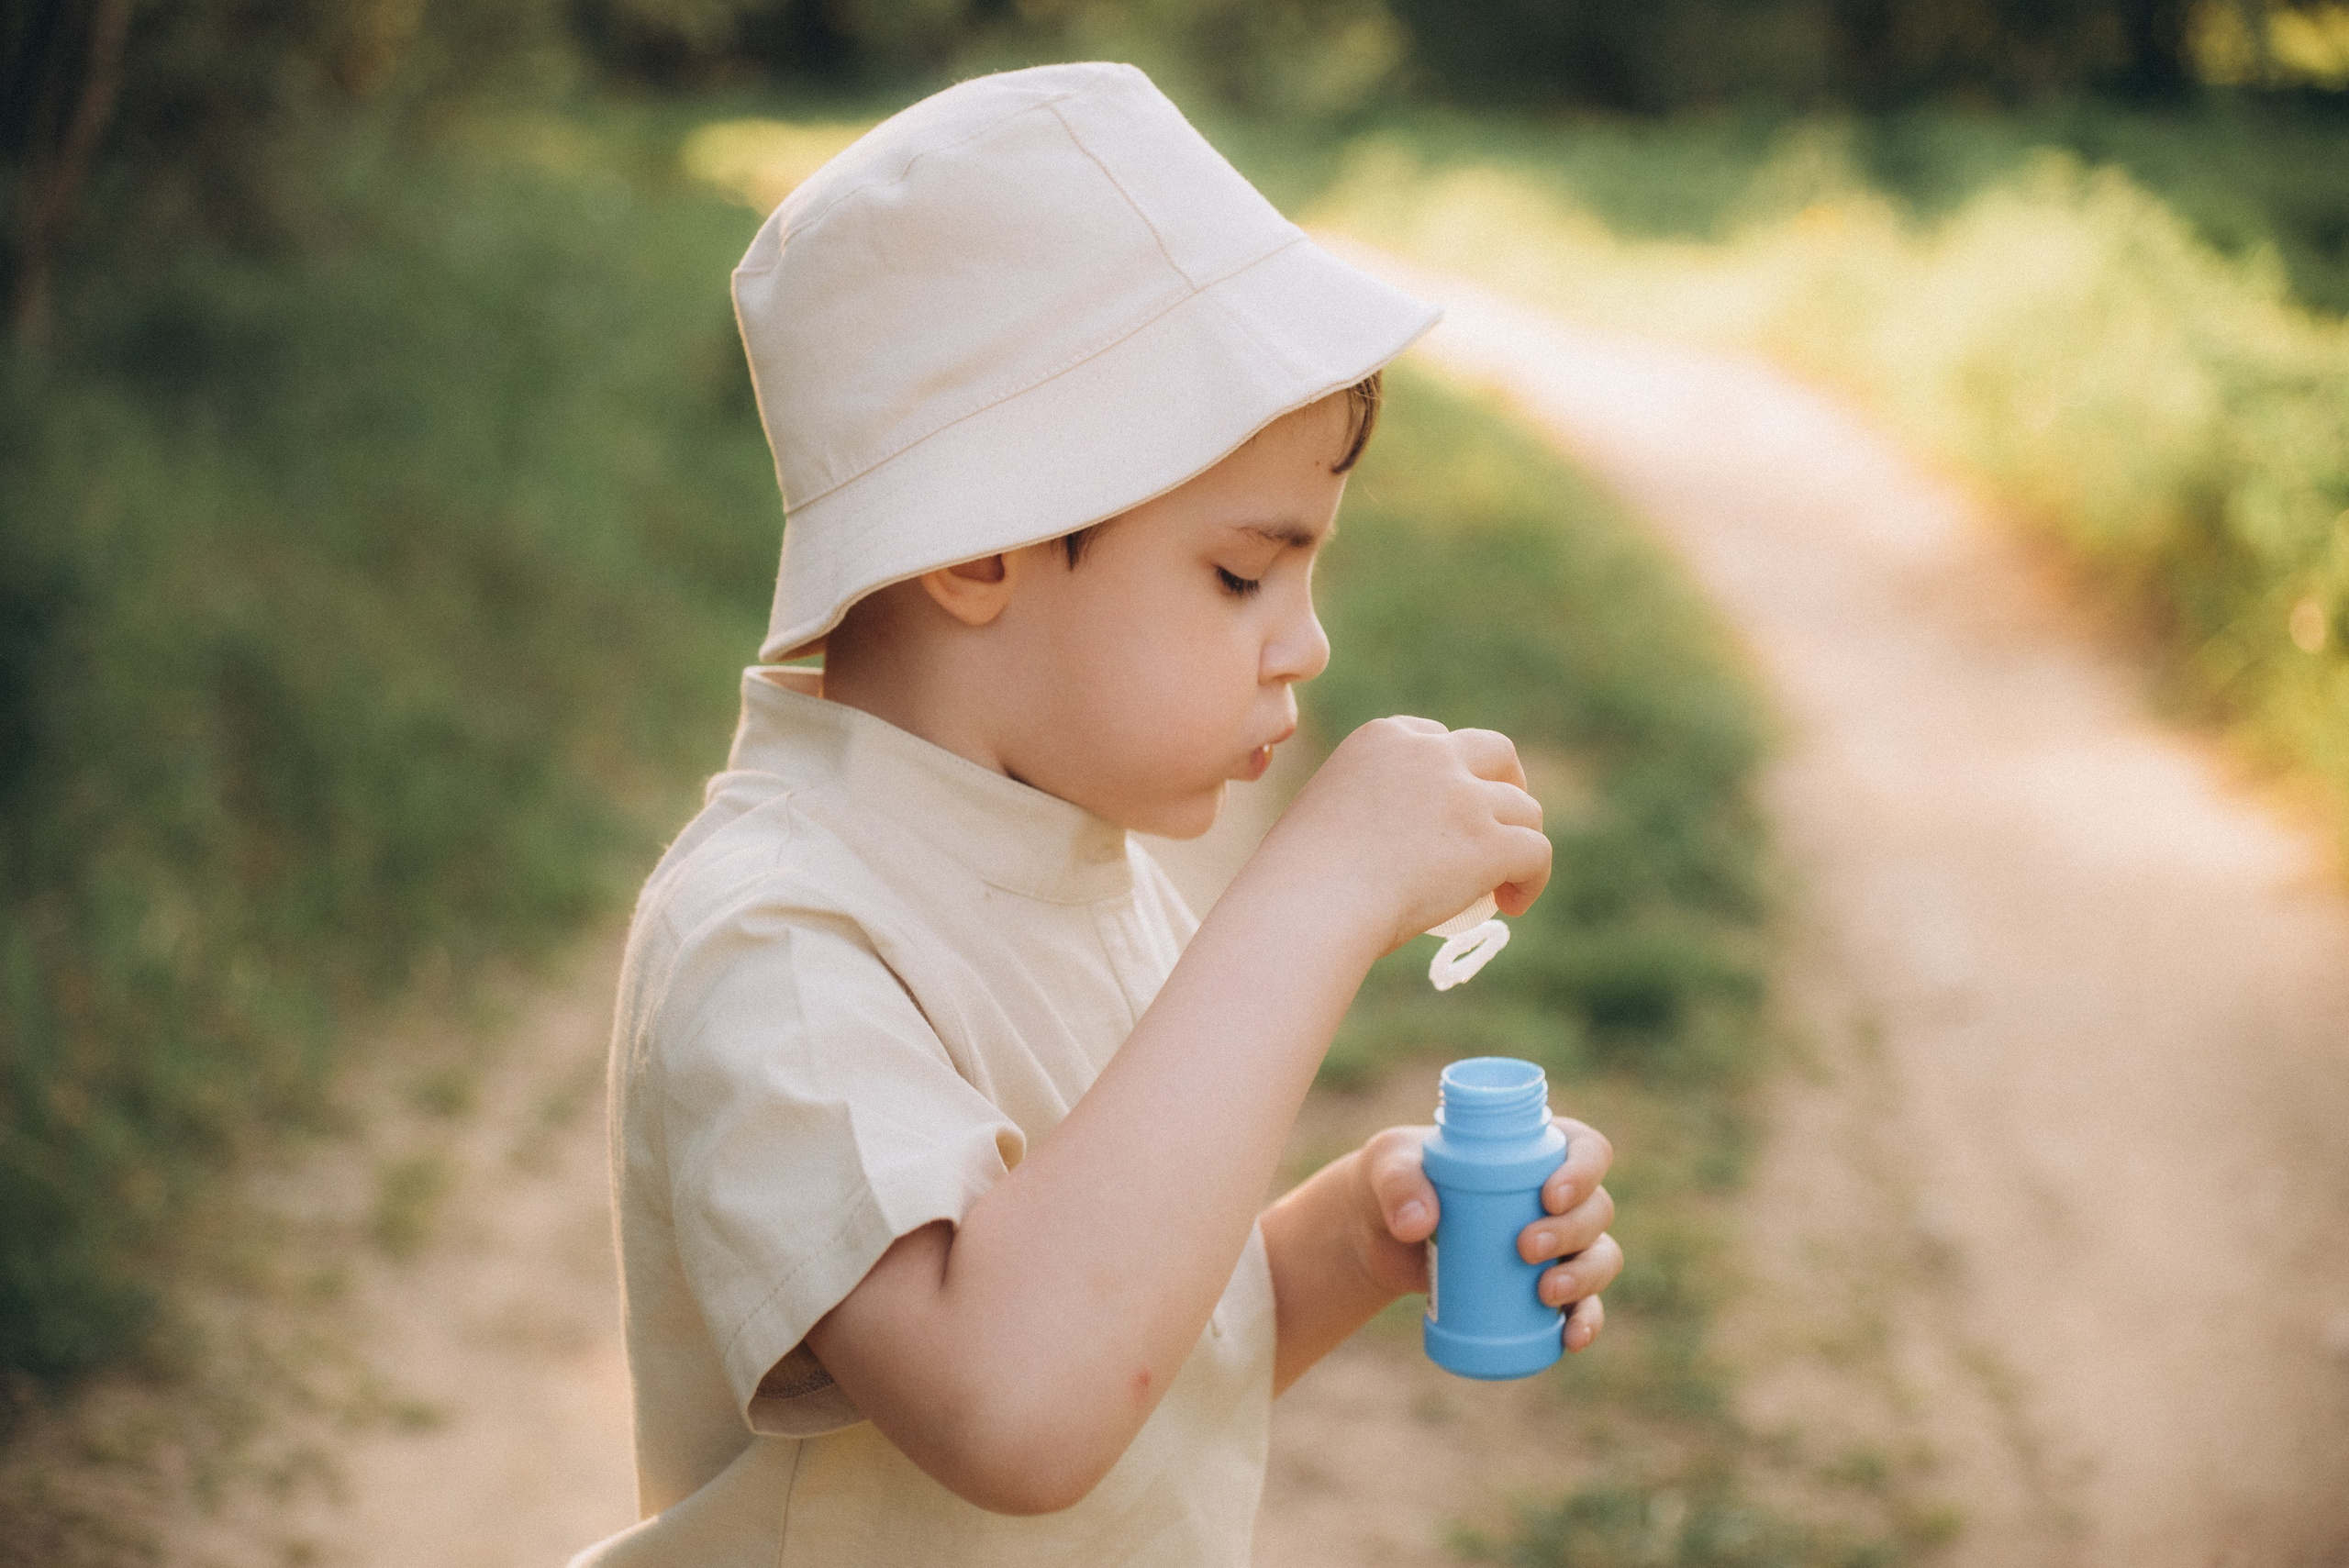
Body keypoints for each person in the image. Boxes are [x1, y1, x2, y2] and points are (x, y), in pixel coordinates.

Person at [573, 61, 1623, 1568]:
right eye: (1240, 574)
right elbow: (1014, 1404)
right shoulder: (779, 941)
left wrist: (1344, 1240)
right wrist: (1314, 895)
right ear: (979, 545)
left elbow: (1125, 1357)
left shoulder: (1082, 865)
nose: (1304, 640)